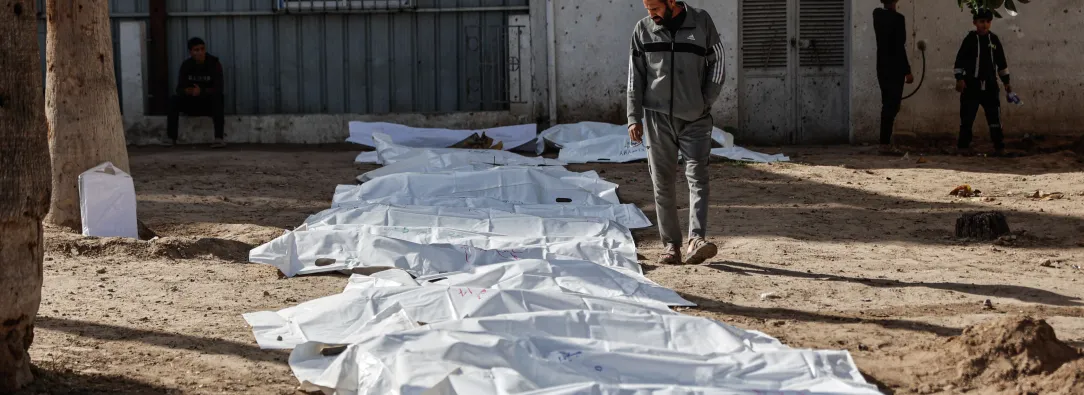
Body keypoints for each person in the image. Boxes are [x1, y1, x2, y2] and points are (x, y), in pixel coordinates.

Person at [627, 0, 724, 265]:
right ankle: (671, 246)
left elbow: (718, 62)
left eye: (655, 7)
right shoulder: (643, 30)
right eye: (647, 7)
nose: (651, 13)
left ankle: (696, 239)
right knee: (663, 184)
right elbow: (635, 76)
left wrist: (705, 101)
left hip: (696, 119)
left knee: (698, 178)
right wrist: (633, 117)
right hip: (657, 121)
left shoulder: (701, 22)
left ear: (672, 2)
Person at [954, 9, 1012, 156]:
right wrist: (960, 79)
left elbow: (1001, 62)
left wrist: (1006, 82)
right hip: (971, 86)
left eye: (987, 22)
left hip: (991, 86)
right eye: (981, 21)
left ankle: (999, 147)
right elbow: (959, 60)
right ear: (975, 23)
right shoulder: (970, 40)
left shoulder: (994, 40)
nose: (984, 25)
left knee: (994, 118)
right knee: (967, 118)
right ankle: (963, 147)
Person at [167, 37, 226, 148]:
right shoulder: (186, 65)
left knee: (218, 98)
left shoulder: (214, 64)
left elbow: (219, 88)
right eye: (196, 50)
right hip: (192, 103)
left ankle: (219, 138)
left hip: (208, 103)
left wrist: (202, 91)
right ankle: (171, 138)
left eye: (202, 49)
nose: (200, 52)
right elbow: (179, 89)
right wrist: (188, 91)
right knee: (173, 100)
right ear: (191, 52)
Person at [873, 0, 914, 155]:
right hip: (895, 67)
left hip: (882, 65)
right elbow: (899, 46)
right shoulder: (898, 19)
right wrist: (907, 70)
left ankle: (884, 142)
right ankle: (884, 143)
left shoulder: (877, 15)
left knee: (887, 104)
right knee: (892, 105)